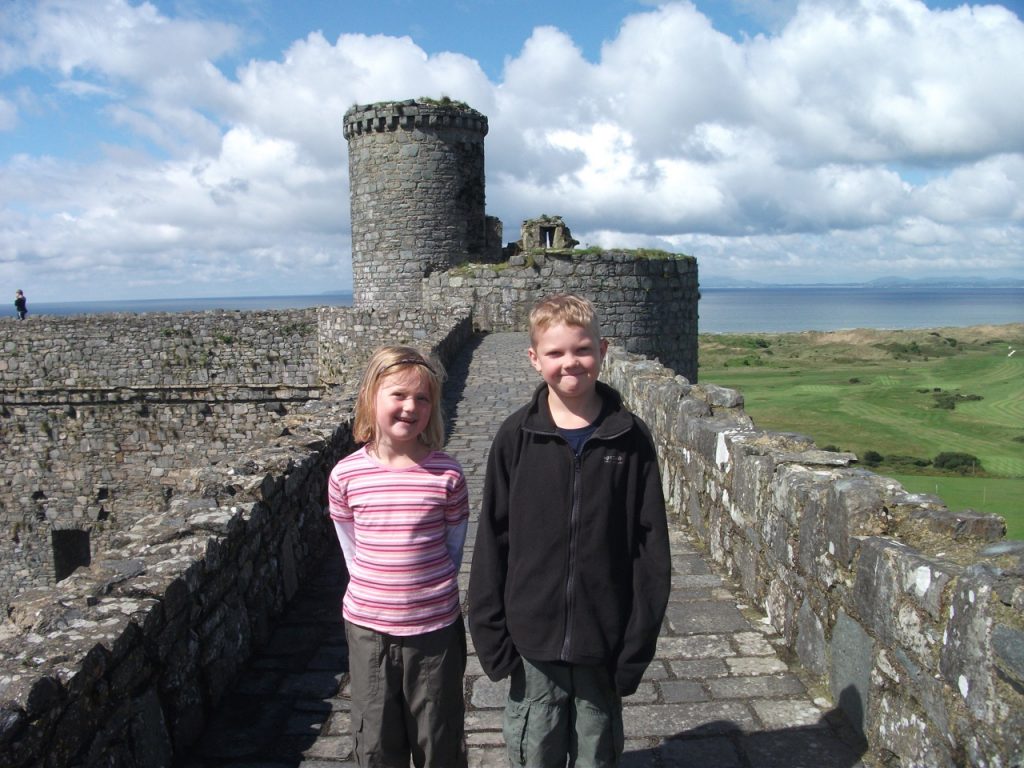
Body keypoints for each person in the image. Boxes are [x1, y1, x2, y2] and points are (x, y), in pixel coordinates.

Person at [468, 294, 671, 768]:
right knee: (533, 751)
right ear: (534, 359)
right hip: (531, 641)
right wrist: (492, 638)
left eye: (581, 350)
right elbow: (492, 541)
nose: (570, 363)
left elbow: (651, 551)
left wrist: (636, 645)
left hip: (604, 638)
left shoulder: (631, 438)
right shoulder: (515, 436)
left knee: (595, 753)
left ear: (603, 350)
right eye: (556, 353)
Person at [328, 345, 469, 768]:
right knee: (374, 739)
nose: (411, 407)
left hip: (434, 630)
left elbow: (453, 547)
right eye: (399, 395)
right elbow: (350, 548)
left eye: (422, 398)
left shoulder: (447, 474)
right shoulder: (346, 475)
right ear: (372, 397)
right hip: (368, 629)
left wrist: (420, 592)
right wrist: (382, 591)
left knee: (437, 736)